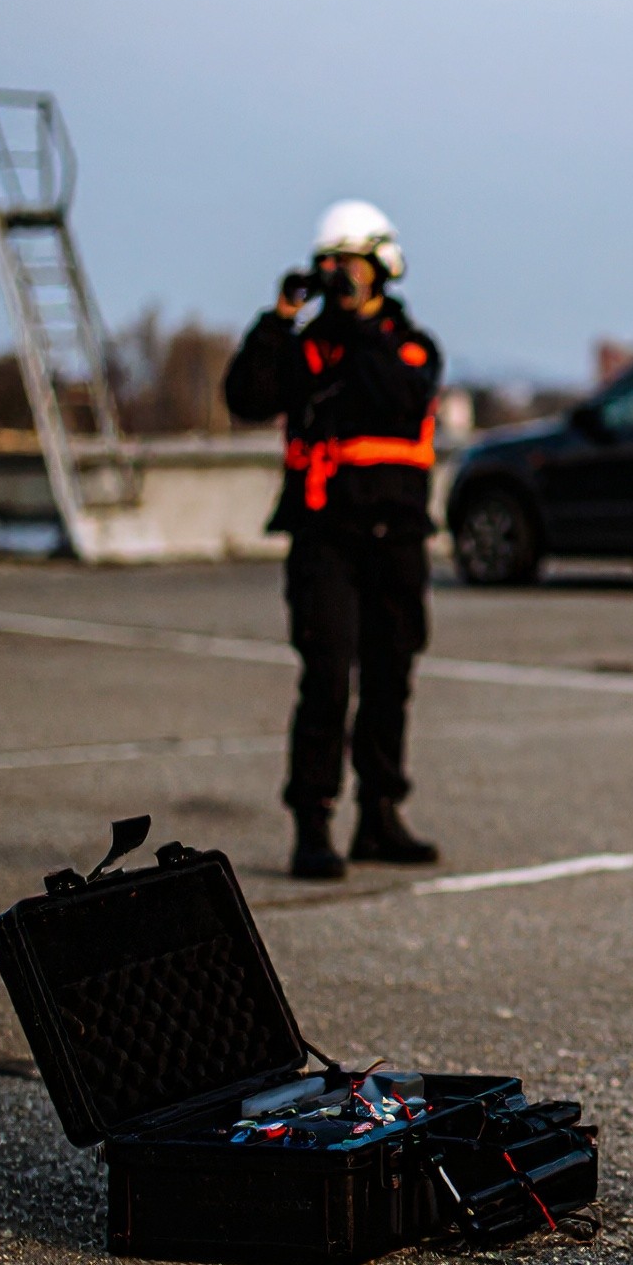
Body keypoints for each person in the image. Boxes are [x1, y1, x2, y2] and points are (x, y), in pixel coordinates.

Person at [224, 199, 444, 881]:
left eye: (349, 264)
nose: (338, 277)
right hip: (326, 539)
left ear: (382, 267)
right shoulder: (307, 348)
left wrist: (355, 325)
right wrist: (280, 319)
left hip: (397, 539)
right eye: (329, 266)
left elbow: (396, 395)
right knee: (325, 678)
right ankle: (312, 823)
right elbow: (247, 395)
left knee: (389, 679)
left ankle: (380, 817)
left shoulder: (410, 346)